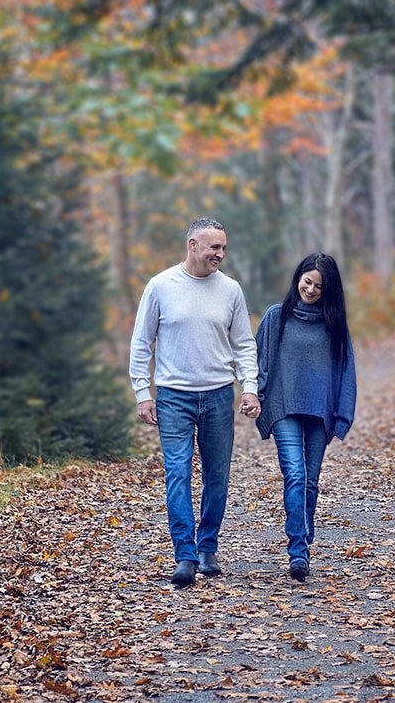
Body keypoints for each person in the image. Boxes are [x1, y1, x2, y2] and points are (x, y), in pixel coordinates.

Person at [129, 218, 261, 588]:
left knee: (217, 475)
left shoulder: (231, 290)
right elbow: (142, 343)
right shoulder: (161, 286)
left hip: (219, 393)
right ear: (192, 245)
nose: (220, 254)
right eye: (213, 247)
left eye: (223, 248)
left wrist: (249, 387)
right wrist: (143, 392)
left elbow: (243, 344)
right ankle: (184, 555)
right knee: (178, 473)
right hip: (173, 395)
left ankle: (208, 549)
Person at [255, 253, 357, 582]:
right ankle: (298, 550)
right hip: (283, 404)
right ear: (297, 277)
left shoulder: (334, 325)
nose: (310, 289)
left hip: (319, 410)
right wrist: (254, 393)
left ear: (329, 290)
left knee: (311, 482)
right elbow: (258, 360)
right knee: (295, 475)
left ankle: (303, 535)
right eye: (307, 281)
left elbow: (346, 370)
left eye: (319, 286)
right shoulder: (276, 317)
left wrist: (342, 413)